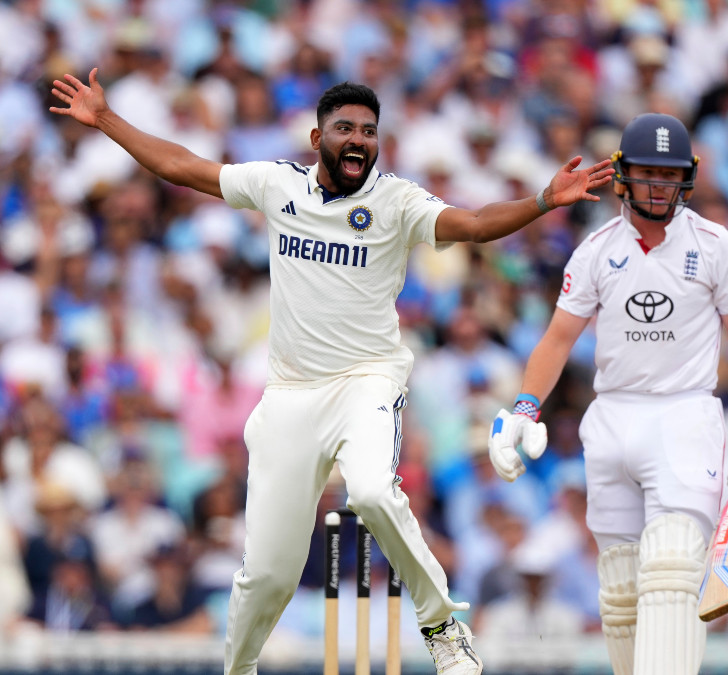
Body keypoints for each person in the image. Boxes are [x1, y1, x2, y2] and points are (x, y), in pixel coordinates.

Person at [49, 69, 613, 675]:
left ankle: (442, 625)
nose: (358, 139)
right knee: (267, 573)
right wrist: (105, 120)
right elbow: (183, 166)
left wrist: (540, 202)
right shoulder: (277, 185)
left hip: (368, 380)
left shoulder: (396, 201)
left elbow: (472, 225)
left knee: (370, 491)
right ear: (318, 137)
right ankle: (238, 669)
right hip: (291, 394)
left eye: (369, 131)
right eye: (345, 128)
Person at [487, 113, 728, 675]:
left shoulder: (716, 246)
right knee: (621, 591)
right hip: (612, 418)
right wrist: (523, 410)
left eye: (669, 176)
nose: (659, 186)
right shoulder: (596, 251)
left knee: (671, 570)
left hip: (685, 414)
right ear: (623, 176)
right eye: (648, 173)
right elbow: (556, 341)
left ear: (686, 179)